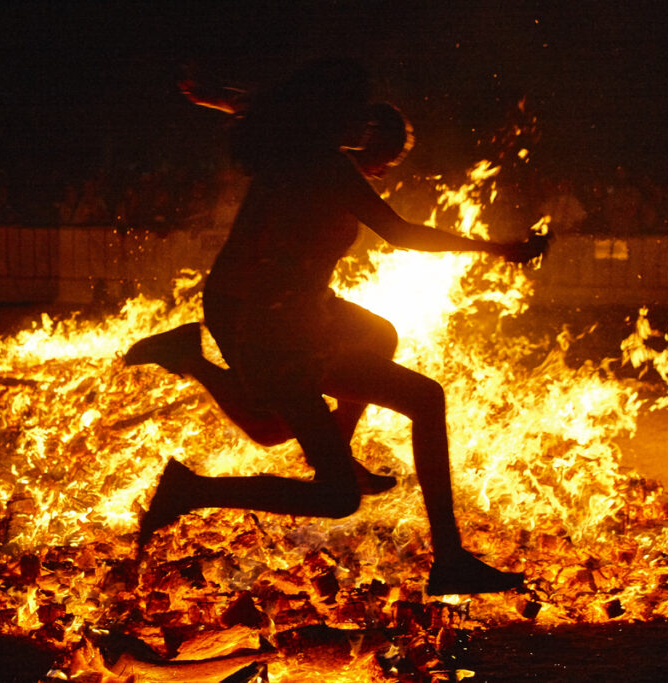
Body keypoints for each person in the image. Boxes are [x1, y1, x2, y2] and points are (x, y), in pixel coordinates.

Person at [129, 60, 546, 595]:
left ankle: (359, 475)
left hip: (289, 311)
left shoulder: (298, 148)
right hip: (266, 323)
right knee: (322, 476)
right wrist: (494, 248)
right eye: (358, 115)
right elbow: (399, 233)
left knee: (378, 339)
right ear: (330, 118)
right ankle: (192, 487)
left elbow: (264, 109)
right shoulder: (321, 165)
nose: (365, 123)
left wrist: (220, 94)